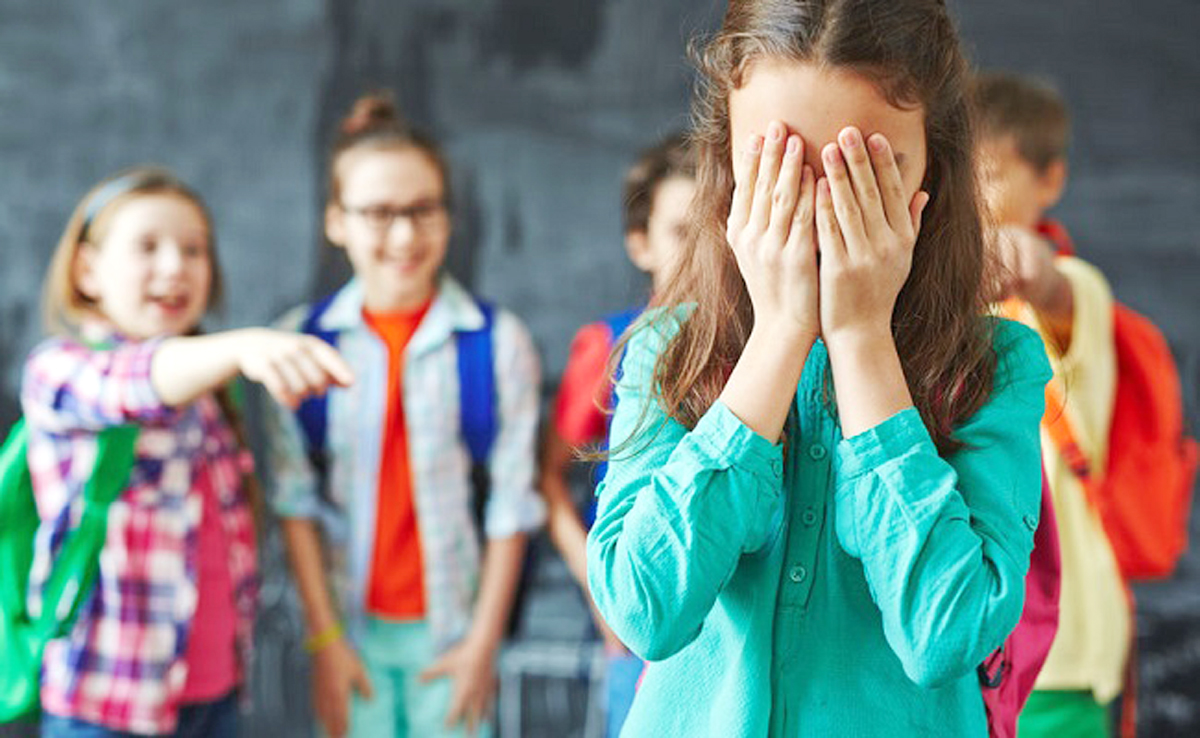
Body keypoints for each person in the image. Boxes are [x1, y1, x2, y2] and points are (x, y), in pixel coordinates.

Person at [584, 0, 1053, 735]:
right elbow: (644, 611)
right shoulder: (669, 348)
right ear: (728, 166)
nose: (819, 206)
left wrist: (863, 337)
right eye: (779, 166)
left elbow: (949, 636)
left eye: (866, 170)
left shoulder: (997, 367)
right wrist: (779, 336)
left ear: (936, 159)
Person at [23, 167, 352, 737]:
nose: (175, 266)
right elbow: (134, 385)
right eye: (147, 247)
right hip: (108, 705)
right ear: (87, 269)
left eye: (194, 249)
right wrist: (242, 345)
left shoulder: (208, 393)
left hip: (214, 694)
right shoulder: (60, 370)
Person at [265, 93, 545, 738]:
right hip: (349, 632)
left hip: (454, 632)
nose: (404, 236)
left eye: (423, 210)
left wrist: (482, 645)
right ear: (336, 220)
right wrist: (326, 642)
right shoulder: (301, 345)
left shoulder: (497, 343)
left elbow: (511, 506)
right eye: (378, 213)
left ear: (449, 216)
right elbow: (295, 504)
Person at [971, 71, 1129, 738]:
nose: (976, 191)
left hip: (1056, 651)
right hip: (964, 636)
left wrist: (1030, 263)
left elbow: (1053, 285)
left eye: (994, 172)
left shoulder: (1075, 291)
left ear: (1051, 181)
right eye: (960, 169)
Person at [540, 132, 695, 736]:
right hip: (636, 622)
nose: (709, 251)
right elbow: (550, 477)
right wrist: (598, 585)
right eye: (683, 233)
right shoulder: (610, 346)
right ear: (641, 244)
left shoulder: (773, 344)